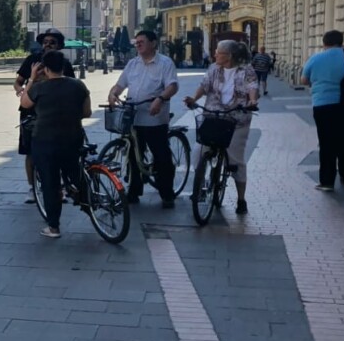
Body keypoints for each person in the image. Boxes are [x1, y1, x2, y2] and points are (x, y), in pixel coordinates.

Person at [20, 50, 92, 238]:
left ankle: (53, 227)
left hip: (45, 140)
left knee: (50, 183)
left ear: (45, 68)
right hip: (73, 137)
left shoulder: (39, 88)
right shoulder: (78, 85)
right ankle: (86, 200)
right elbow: (87, 113)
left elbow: (25, 104)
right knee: (74, 170)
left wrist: (32, 79)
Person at [183, 40, 259, 214]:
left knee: (235, 160)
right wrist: (194, 99)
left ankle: (241, 200)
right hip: (214, 115)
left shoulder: (246, 70)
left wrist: (252, 100)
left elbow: (252, 86)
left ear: (229, 56)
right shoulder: (213, 69)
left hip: (236, 118)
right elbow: (204, 85)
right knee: (199, 151)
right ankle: (200, 187)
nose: (215, 54)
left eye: (218, 52)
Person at [107, 29, 180, 208]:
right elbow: (120, 84)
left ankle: (167, 194)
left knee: (161, 156)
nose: (138, 44)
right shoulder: (133, 64)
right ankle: (134, 191)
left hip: (154, 118)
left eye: (142, 41)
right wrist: (113, 93)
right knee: (132, 155)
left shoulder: (165, 63)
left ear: (153, 43)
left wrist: (160, 99)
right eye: (136, 42)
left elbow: (173, 85)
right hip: (133, 116)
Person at [301, 30, 344, 191]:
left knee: (326, 142)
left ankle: (326, 182)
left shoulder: (315, 58)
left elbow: (304, 80)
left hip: (323, 105)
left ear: (323, 43)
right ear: (341, 42)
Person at [15, 28, 75, 204]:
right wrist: (21, 91)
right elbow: (18, 82)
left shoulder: (65, 64)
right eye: (45, 42)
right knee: (30, 152)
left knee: (59, 151)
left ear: (59, 46)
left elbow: (72, 84)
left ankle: (60, 187)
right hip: (30, 112)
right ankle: (31, 188)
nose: (47, 45)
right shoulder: (32, 60)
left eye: (52, 42)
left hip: (56, 112)